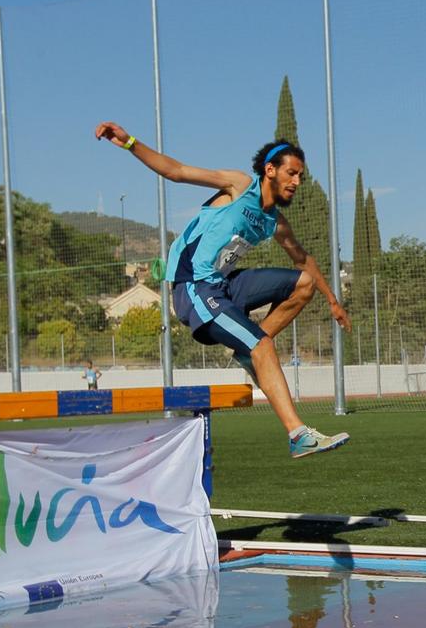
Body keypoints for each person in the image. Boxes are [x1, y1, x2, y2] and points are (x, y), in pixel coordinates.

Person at [94, 122, 349, 459]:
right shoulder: (238, 186)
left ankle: (248, 352)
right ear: (270, 170)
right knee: (263, 345)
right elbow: (176, 171)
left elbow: (304, 260)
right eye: (291, 173)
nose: (297, 182)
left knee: (303, 284)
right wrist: (129, 143)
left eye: (301, 176)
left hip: (224, 285)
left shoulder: (274, 221)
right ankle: (298, 435)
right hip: (194, 287)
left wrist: (333, 301)